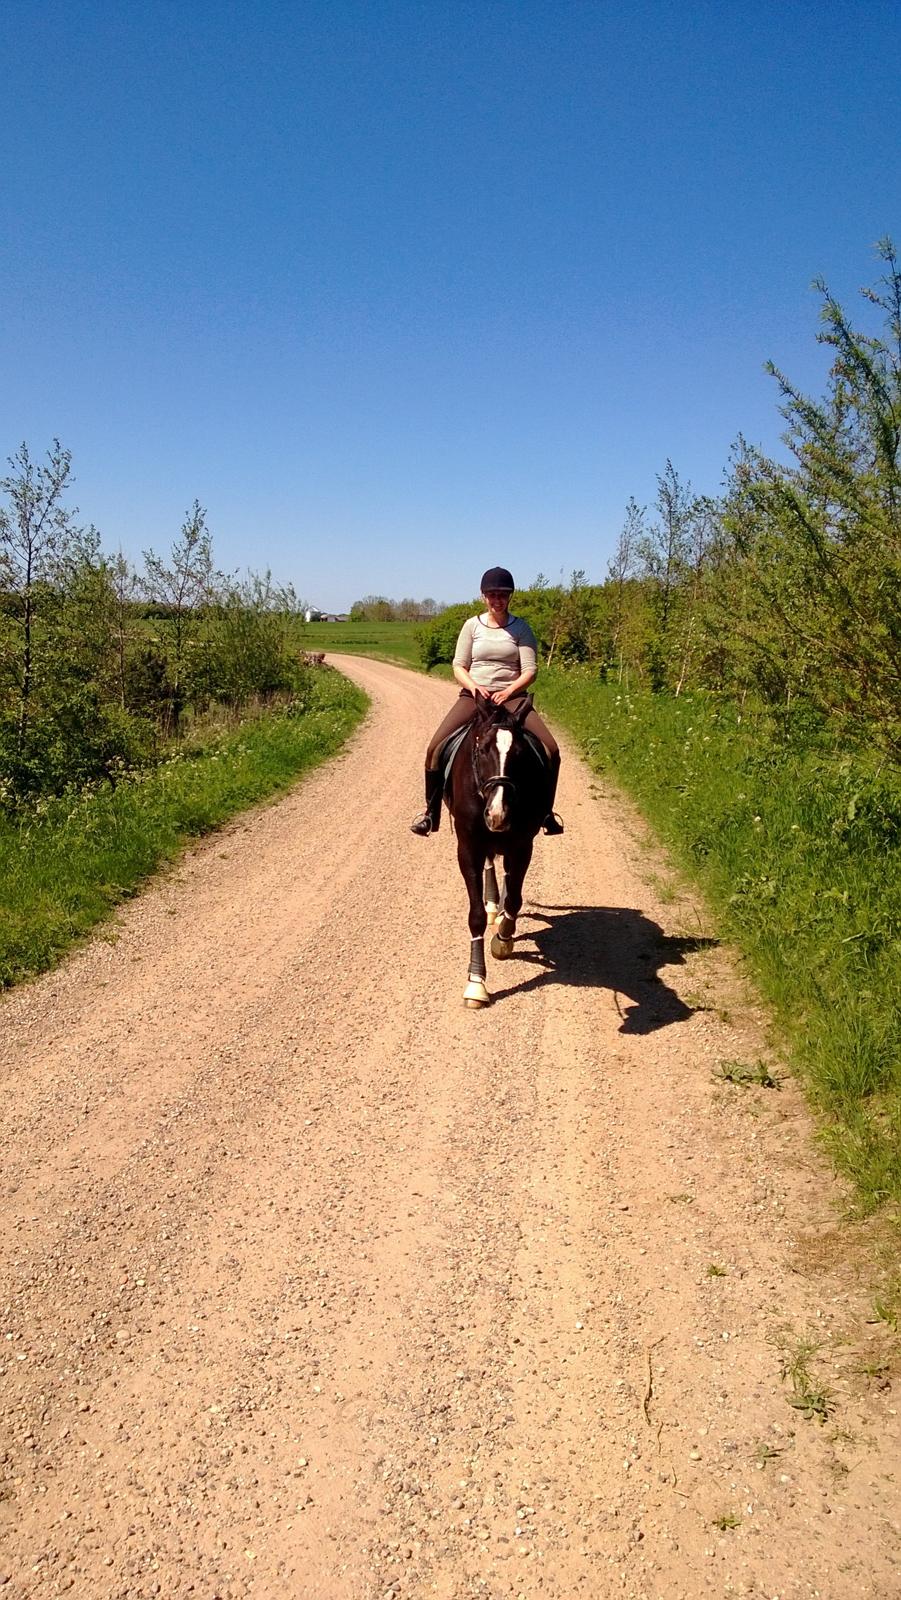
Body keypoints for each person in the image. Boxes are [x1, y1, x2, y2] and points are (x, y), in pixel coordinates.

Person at [411, 566, 564, 836]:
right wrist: (474, 687)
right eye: (492, 594)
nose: (497, 599)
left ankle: (546, 814)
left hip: (512, 697)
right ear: (483, 596)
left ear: (510, 596)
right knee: (435, 747)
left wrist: (509, 691)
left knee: (551, 749)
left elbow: (530, 670)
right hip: (475, 696)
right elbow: (459, 666)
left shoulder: (521, 628)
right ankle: (430, 813)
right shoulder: (472, 626)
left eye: (503, 594)